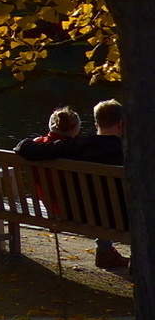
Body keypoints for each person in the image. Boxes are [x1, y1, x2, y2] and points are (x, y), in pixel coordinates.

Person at [15, 99, 127, 270]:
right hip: (123, 219)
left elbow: (25, 148)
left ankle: (105, 251)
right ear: (121, 124)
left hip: (81, 214)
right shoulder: (131, 151)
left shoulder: (76, 145)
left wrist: (26, 142)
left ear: (96, 123)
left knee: (100, 201)